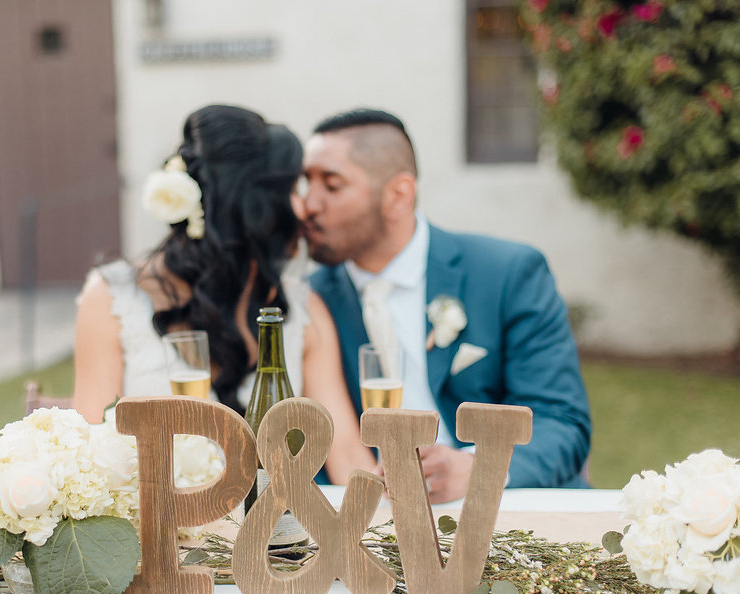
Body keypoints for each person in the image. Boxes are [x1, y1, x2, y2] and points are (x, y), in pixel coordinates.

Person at [294, 108, 591, 502]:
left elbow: (561, 423)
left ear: (398, 195)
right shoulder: (308, 302)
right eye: (306, 183)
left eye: (331, 186)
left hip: (507, 515)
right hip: (373, 526)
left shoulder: (508, 274)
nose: (309, 204)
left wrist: (478, 470)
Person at [72, 104, 371, 484]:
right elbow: (91, 458)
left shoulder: (301, 308)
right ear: (254, 208)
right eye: (295, 188)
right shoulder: (111, 300)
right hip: (160, 537)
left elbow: (346, 451)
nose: (306, 207)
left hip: (277, 538)